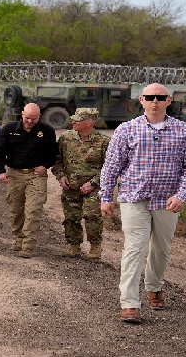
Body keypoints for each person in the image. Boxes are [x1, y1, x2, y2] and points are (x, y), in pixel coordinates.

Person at [100, 83, 186, 324]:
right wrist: (106, 197)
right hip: (134, 197)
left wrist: (182, 195)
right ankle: (130, 303)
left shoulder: (184, 130)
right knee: (135, 247)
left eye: (160, 97)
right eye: (149, 97)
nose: (154, 101)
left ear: (169, 100)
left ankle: (154, 286)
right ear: (142, 100)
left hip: (168, 200)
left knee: (161, 248)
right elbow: (111, 166)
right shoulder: (127, 129)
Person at [0, 103, 57, 258]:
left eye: (33, 119)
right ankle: (18, 238)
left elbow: (53, 154)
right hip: (14, 175)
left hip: (36, 175)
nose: (29, 121)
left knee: (33, 210)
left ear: (39, 117)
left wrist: (46, 166)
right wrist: (1, 172)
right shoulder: (9, 130)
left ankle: (28, 245)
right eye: (27, 118)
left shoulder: (47, 131)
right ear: (22, 114)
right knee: (16, 210)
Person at [50, 108, 110, 259]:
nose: (73, 122)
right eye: (73, 119)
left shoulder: (103, 141)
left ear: (89, 122)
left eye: (78, 119)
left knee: (92, 216)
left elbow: (109, 168)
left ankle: (95, 246)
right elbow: (57, 160)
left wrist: (93, 183)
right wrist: (61, 176)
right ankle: (74, 246)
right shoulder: (65, 138)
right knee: (71, 217)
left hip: (93, 187)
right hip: (70, 186)